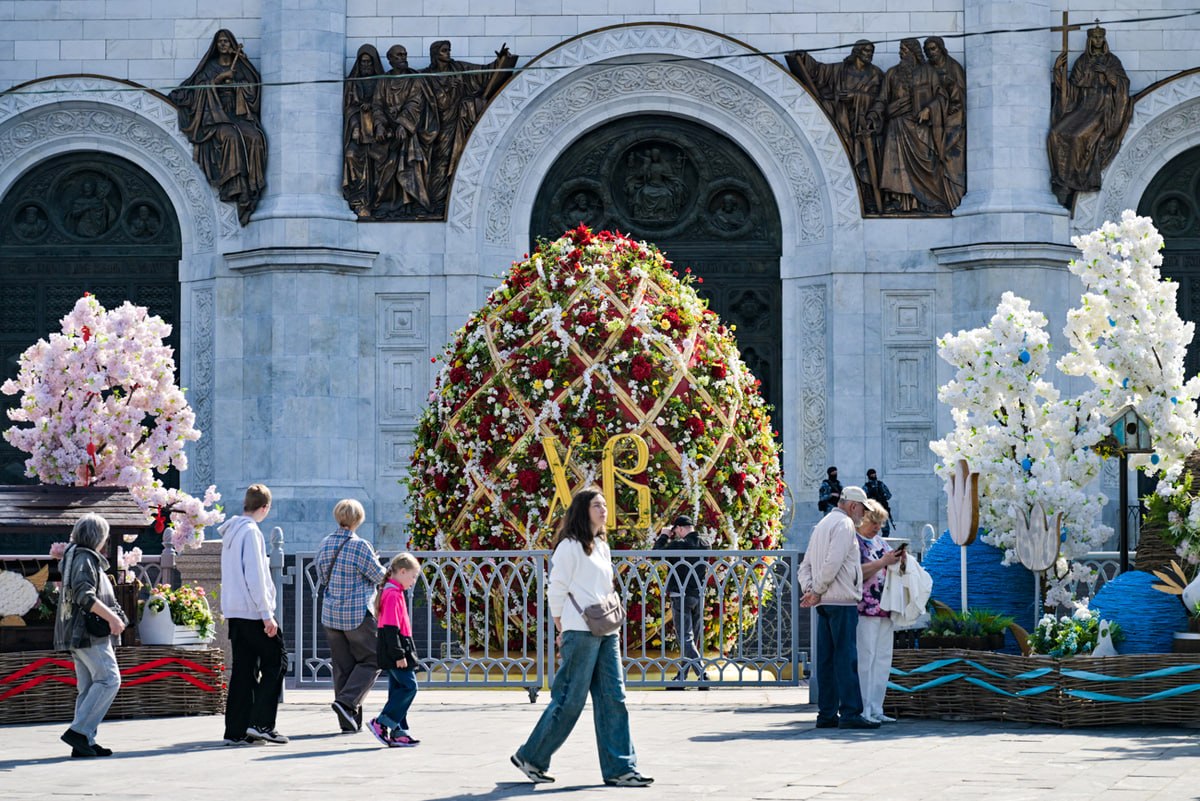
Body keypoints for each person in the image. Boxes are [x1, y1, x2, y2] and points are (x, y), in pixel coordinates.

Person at [512, 487, 653, 787]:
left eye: (604, 505)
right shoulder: (569, 547)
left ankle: (621, 768)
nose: (604, 510)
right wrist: (562, 627)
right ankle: (531, 757)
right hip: (579, 630)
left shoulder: (602, 545)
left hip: (606, 630)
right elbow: (556, 588)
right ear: (582, 510)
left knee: (614, 698)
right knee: (569, 700)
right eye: (597, 505)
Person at [798, 485, 879, 730]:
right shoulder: (844, 526)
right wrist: (817, 591)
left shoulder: (823, 524)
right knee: (845, 658)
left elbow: (806, 565)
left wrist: (810, 590)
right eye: (862, 510)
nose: (863, 516)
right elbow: (833, 562)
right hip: (840, 600)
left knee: (826, 660)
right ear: (853, 505)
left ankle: (826, 714)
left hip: (824, 601)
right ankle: (851, 712)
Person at [169, 29, 267, 225]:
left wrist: (238, 85)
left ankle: (254, 187)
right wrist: (220, 80)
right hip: (216, 118)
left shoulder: (241, 66)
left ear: (232, 44)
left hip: (238, 115)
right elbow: (197, 90)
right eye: (220, 42)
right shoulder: (209, 68)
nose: (223, 45)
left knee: (255, 138)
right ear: (216, 45)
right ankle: (236, 187)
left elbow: (253, 91)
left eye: (226, 41)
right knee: (230, 137)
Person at [219, 484, 288, 746]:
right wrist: (266, 614)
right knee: (277, 660)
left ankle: (237, 729)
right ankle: (261, 723)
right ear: (265, 507)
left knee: (244, 670)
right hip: (252, 612)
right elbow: (256, 576)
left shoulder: (231, 532)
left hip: (235, 612)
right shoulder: (251, 533)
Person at [54, 513, 126, 758]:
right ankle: (79, 732)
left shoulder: (74, 555)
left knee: (88, 687)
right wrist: (113, 618)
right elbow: (84, 595)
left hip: (74, 631)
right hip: (87, 632)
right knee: (109, 679)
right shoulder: (85, 558)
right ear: (98, 537)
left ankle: (84, 741)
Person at [786, 41, 884, 212]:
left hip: (863, 125)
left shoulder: (876, 74)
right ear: (857, 52)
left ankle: (867, 196)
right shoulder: (840, 70)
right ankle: (850, 190)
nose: (869, 54)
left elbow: (881, 100)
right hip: (843, 122)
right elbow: (819, 72)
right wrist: (804, 58)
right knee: (846, 156)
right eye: (866, 50)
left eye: (872, 51)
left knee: (866, 161)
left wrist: (856, 97)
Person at [316, 498, 387, 733]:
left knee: (343, 666)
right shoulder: (360, 545)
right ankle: (346, 703)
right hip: (356, 613)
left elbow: (321, 574)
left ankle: (348, 720)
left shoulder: (325, 543)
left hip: (330, 613)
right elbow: (379, 576)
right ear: (358, 519)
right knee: (374, 658)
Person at [422, 40, 517, 211]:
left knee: (451, 160)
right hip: (435, 126)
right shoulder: (427, 75)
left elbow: (483, 73)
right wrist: (447, 91)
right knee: (438, 161)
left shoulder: (459, 68)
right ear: (435, 54)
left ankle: (444, 199)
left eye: (449, 50)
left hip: (456, 124)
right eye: (444, 50)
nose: (448, 53)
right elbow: (420, 96)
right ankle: (435, 200)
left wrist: (500, 61)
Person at [1047, 26, 1132, 208]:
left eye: (1101, 37)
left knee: (1079, 136)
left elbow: (1123, 86)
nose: (1098, 40)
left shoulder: (1112, 61)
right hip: (1083, 106)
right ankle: (1061, 180)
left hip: (1103, 108)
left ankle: (1073, 182)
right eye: (1095, 38)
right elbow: (1070, 92)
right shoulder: (1082, 62)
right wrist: (1058, 71)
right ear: (1090, 41)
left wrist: (1107, 73)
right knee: (1056, 133)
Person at [878, 38, 948, 213]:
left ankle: (929, 200)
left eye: (904, 50)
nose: (901, 53)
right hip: (897, 125)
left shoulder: (928, 72)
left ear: (914, 52)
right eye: (900, 49)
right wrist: (872, 115)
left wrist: (929, 110)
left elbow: (942, 96)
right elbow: (881, 99)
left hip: (920, 126)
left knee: (927, 160)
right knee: (895, 164)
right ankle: (898, 202)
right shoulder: (892, 74)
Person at [375, 44, 438, 215]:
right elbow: (377, 105)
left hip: (410, 130)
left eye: (405, 54)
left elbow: (415, 103)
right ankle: (389, 203)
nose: (403, 57)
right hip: (389, 132)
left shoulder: (414, 78)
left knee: (410, 161)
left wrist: (403, 125)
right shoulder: (383, 80)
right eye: (399, 55)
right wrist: (379, 125)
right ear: (389, 59)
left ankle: (416, 203)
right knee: (387, 164)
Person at [855, 500, 902, 724]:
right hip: (865, 607)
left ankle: (876, 707)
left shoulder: (879, 542)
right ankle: (863, 708)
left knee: (883, 658)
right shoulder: (855, 542)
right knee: (867, 657)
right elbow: (856, 573)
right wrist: (883, 561)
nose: (877, 527)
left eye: (880, 522)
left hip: (885, 606)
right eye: (873, 521)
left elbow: (887, 564)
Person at [369, 552, 422, 747]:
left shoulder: (393, 591)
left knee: (398, 690)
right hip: (396, 650)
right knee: (409, 687)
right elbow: (390, 629)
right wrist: (399, 654)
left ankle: (399, 731)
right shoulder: (392, 594)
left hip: (396, 648)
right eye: (413, 576)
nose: (413, 580)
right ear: (402, 571)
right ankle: (382, 722)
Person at [652, 515, 710, 688]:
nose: (675, 534)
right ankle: (681, 678)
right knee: (692, 639)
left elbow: (655, 555)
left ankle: (702, 675)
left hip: (680, 594)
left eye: (676, 530)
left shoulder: (678, 545)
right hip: (698, 595)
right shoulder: (705, 544)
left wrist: (664, 535)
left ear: (681, 528)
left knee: (685, 637)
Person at [342, 44, 388, 218]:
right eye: (363, 63)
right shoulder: (353, 83)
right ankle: (359, 200)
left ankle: (376, 201)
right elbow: (348, 108)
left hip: (378, 136)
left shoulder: (381, 83)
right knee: (351, 156)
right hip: (358, 135)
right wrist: (358, 117)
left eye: (369, 63)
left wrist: (372, 111)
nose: (366, 67)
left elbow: (385, 106)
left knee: (381, 162)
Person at [923, 36, 966, 210]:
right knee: (933, 157)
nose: (931, 53)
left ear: (941, 49)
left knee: (950, 158)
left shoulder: (953, 67)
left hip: (953, 121)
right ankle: (938, 198)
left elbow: (960, 97)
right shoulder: (926, 70)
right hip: (934, 123)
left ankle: (954, 200)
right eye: (928, 51)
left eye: (933, 49)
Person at [864, 468, 893, 536]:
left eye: (874, 474)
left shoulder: (881, 484)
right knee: (871, 528)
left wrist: (883, 497)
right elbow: (863, 498)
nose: (873, 475)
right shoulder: (866, 487)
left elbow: (889, 495)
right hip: (872, 510)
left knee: (886, 529)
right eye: (872, 474)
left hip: (881, 509)